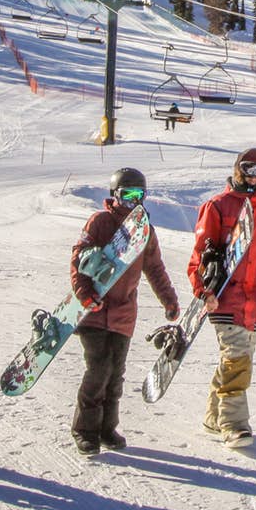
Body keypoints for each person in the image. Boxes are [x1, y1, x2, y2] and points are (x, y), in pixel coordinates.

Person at [188, 147, 256, 449]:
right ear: (238, 170)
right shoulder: (219, 206)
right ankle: (234, 425)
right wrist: (204, 290)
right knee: (237, 359)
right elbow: (199, 256)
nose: (254, 175)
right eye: (248, 168)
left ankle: (214, 416)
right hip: (226, 299)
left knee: (236, 359)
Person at [70, 168, 180, 456]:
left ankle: (107, 428)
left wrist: (168, 299)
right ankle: (85, 430)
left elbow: (155, 269)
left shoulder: (144, 229)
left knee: (116, 374)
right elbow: (78, 259)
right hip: (95, 310)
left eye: (139, 195)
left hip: (123, 314)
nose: (133, 201)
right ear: (114, 195)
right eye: (127, 195)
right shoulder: (101, 222)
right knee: (99, 370)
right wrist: (85, 294)